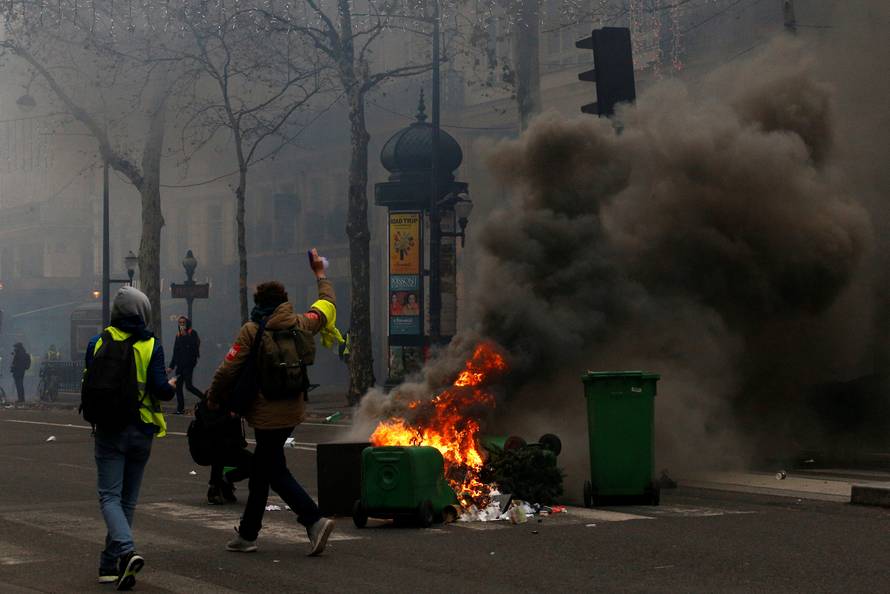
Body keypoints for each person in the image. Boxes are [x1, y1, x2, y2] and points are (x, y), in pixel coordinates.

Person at [205, 248, 341, 556]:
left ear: (258, 304)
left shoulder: (252, 330)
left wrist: (213, 398)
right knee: (265, 470)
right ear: (283, 301)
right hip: (293, 409)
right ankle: (248, 534)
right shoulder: (301, 323)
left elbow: (228, 368)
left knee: (273, 471)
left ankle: (314, 519)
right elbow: (328, 306)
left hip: (266, 414)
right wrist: (320, 274)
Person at [85, 287, 176, 589]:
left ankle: (125, 551)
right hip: (142, 429)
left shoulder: (97, 342)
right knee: (127, 500)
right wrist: (172, 384)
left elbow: (90, 380)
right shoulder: (151, 345)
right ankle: (110, 564)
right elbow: (161, 389)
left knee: (109, 496)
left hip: (109, 428)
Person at [169, 316, 203, 414]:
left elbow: (194, 346)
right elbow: (175, 351)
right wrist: (171, 366)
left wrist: (186, 336)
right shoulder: (178, 335)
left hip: (189, 364)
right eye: (180, 323)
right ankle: (180, 408)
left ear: (187, 323)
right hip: (180, 365)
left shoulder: (192, 333)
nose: (182, 324)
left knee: (188, 386)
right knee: (178, 387)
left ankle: (205, 398)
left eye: (183, 322)